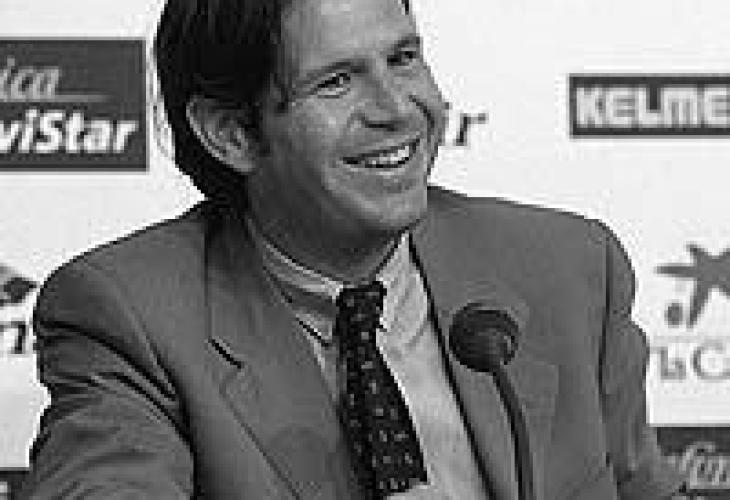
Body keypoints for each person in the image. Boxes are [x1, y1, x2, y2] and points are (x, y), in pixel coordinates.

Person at [19, 0, 685, 498]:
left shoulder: (570, 268)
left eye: (403, 59)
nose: (397, 109)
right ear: (230, 133)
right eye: (337, 81)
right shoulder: (130, 317)